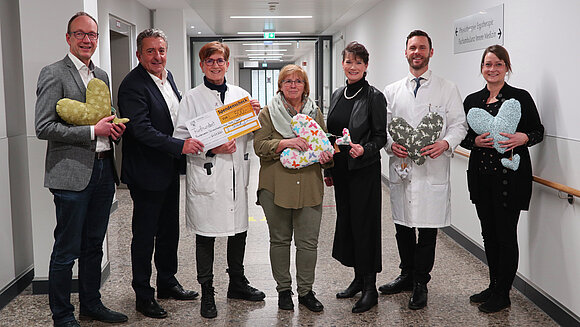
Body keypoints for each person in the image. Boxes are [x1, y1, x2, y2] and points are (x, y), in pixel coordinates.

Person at [35, 12, 128, 327]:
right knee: (66, 249)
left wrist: (113, 128)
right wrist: (92, 132)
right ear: (68, 38)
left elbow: (105, 115)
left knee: (94, 245)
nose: (87, 40)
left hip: (103, 172)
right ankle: (62, 315)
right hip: (71, 174)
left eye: (92, 34)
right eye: (80, 34)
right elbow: (43, 126)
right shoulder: (53, 73)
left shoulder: (101, 74)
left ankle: (91, 305)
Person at [173, 41, 265, 319]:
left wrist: (254, 116)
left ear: (227, 64)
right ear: (202, 65)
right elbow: (181, 137)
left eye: (220, 61)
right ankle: (208, 290)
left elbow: (248, 136)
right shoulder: (191, 98)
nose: (215, 65)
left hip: (236, 175)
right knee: (207, 233)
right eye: (209, 61)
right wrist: (212, 148)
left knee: (239, 231)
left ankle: (237, 283)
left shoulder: (240, 95)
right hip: (208, 173)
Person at [117, 29, 204, 319]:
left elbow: (177, 118)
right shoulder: (133, 85)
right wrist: (180, 146)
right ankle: (143, 294)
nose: (158, 56)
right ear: (139, 54)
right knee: (145, 235)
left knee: (169, 230)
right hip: (146, 172)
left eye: (162, 50)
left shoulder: (169, 78)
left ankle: (167, 282)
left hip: (168, 169)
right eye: (151, 51)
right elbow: (141, 130)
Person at [380, 30, 467, 310]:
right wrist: (392, 146)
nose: (417, 52)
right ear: (405, 53)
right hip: (403, 168)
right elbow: (384, 128)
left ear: (431, 52)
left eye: (422, 48)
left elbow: (459, 125)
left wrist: (444, 143)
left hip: (432, 168)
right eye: (412, 48)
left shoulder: (446, 88)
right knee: (402, 228)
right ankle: (406, 275)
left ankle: (421, 283)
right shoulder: (392, 91)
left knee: (427, 231)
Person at [460, 45, 544, 313]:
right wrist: (476, 141)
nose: (492, 69)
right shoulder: (473, 100)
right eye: (487, 64)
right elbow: (462, 136)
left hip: (510, 177)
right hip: (481, 177)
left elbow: (538, 131)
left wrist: (524, 138)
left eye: (498, 64)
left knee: (505, 235)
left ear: (507, 67)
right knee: (488, 234)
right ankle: (493, 284)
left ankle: (503, 293)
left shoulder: (519, 98)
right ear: (481, 68)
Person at [254, 64, 333, 313]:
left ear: (305, 86)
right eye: (288, 81)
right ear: (280, 85)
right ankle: (284, 291)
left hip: (309, 186)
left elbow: (325, 146)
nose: (293, 85)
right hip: (276, 187)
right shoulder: (268, 113)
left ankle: (306, 292)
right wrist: (286, 143)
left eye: (298, 81)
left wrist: (326, 158)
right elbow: (259, 146)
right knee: (279, 240)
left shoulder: (315, 113)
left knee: (308, 243)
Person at [326, 41, 387, 313]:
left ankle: (370, 288)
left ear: (366, 66)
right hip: (341, 171)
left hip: (363, 171)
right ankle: (357, 279)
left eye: (358, 63)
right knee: (349, 224)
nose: (353, 67)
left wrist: (365, 149)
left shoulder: (374, 96)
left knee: (365, 226)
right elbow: (331, 135)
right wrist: (329, 168)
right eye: (349, 61)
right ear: (343, 64)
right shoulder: (339, 94)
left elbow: (380, 136)